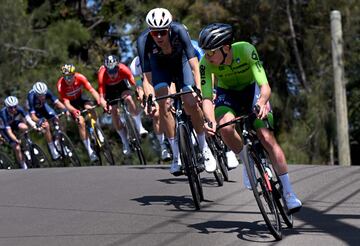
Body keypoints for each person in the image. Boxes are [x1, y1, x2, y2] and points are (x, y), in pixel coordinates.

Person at [198, 23, 302, 213]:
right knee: (225, 127)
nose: (207, 56)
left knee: (266, 137)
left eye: (211, 52)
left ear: (226, 47)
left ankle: (288, 193)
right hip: (227, 94)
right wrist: (210, 120)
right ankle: (247, 161)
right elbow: (206, 97)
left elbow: (264, 85)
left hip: (252, 91)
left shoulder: (246, 50)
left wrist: (262, 102)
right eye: (205, 52)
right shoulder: (205, 63)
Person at [137, 7, 216, 175]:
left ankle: (204, 148)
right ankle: (176, 154)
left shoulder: (180, 31)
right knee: (163, 104)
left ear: (170, 28)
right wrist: (150, 98)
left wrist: (198, 90)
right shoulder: (143, 41)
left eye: (162, 32)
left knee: (190, 102)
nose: (158, 37)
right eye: (154, 33)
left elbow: (195, 65)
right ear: (149, 31)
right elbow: (147, 78)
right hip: (160, 68)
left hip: (181, 64)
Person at [98, 55, 148, 156]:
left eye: (114, 70)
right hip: (109, 90)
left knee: (129, 98)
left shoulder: (123, 69)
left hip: (122, 86)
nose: (112, 74)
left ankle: (139, 126)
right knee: (114, 111)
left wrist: (139, 93)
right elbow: (101, 95)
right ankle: (125, 142)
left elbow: (135, 83)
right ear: (106, 69)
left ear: (118, 67)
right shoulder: (102, 74)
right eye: (109, 71)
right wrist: (104, 104)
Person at [57, 64, 107, 162]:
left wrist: (99, 100)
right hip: (71, 104)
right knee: (81, 122)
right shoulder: (61, 84)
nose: (68, 79)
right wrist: (73, 111)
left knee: (90, 108)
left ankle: (97, 129)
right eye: (66, 77)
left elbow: (92, 90)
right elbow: (66, 103)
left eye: (70, 76)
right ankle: (90, 151)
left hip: (80, 98)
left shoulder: (80, 77)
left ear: (74, 74)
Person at [130, 56, 171, 161]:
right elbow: (139, 85)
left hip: (163, 81)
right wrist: (144, 100)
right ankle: (163, 146)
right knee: (156, 114)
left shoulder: (158, 53)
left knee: (170, 107)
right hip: (148, 87)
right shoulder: (135, 64)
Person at [27, 81, 69, 160]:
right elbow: (32, 116)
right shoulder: (31, 97)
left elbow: (57, 103)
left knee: (55, 117)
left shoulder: (47, 92)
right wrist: (38, 121)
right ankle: (53, 150)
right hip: (36, 111)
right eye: (40, 95)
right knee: (46, 125)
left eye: (43, 94)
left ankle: (58, 141)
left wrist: (65, 109)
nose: (42, 97)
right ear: (36, 94)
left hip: (43, 106)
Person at [0, 96, 39, 169]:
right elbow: (9, 132)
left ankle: (29, 143)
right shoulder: (3, 114)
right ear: (7, 107)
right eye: (10, 108)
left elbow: (28, 119)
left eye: (14, 107)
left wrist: (34, 126)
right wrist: (16, 140)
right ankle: (22, 164)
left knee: (25, 127)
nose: (13, 109)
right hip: (4, 129)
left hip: (13, 123)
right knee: (17, 147)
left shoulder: (19, 108)